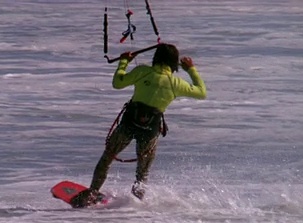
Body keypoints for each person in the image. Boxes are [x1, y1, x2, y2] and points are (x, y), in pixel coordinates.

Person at [71, 43, 206, 208]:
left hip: (129, 123)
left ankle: (91, 194)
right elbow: (201, 92)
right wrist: (191, 69)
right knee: (142, 173)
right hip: (150, 130)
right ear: (175, 62)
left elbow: (117, 83)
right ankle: (135, 207)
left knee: (107, 158)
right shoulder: (176, 83)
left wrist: (124, 63)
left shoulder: (142, 72)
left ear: (155, 58)